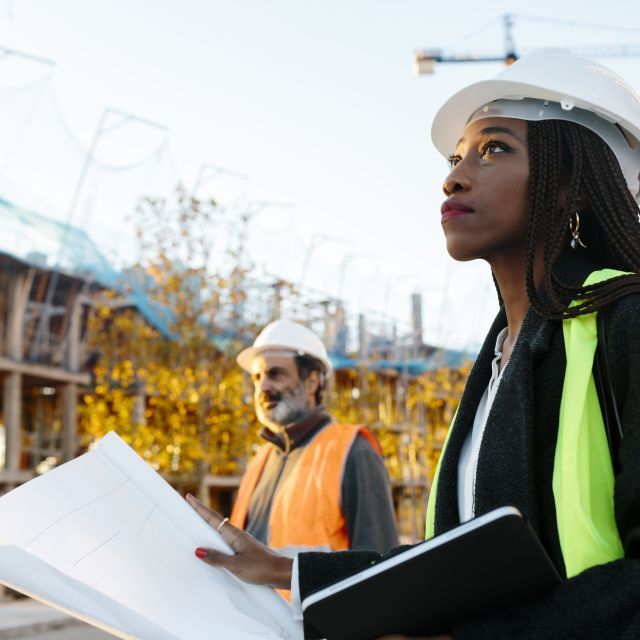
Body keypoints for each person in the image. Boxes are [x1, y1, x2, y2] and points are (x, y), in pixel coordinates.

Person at [187, 48, 640, 638]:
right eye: (456, 157)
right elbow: (453, 564)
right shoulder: (501, 356)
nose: (453, 175)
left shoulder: (625, 320)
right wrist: (280, 567)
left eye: (495, 148)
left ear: (570, 184)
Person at [226, 318, 398, 595]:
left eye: (276, 374)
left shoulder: (353, 450)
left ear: (312, 381)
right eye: (257, 378)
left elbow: (381, 571)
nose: (263, 387)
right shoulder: (260, 462)